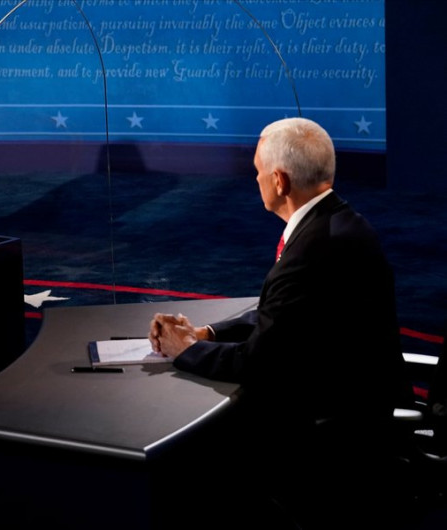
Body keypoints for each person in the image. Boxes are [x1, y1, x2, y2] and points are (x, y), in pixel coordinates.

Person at [149, 117, 411, 528]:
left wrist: (185, 350)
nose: (255, 179)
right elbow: (287, 315)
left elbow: (259, 362)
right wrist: (207, 333)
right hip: (359, 409)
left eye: (257, 172)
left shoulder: (313, 248)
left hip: (330, 435)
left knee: (198, 458)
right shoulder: (338, 223)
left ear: (279, 181)